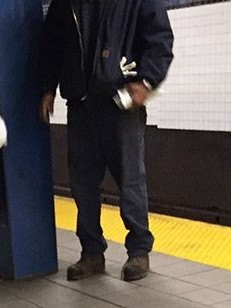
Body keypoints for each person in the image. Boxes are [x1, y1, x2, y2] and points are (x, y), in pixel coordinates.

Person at [40, 0, 173, 282]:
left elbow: (159, 39)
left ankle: (138, 250)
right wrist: (47, 87)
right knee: (83, 184)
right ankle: (91, 253)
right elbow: (51, 44)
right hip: (81, 103)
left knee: (130, 179)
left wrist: (146, 81)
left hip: (120, 105)